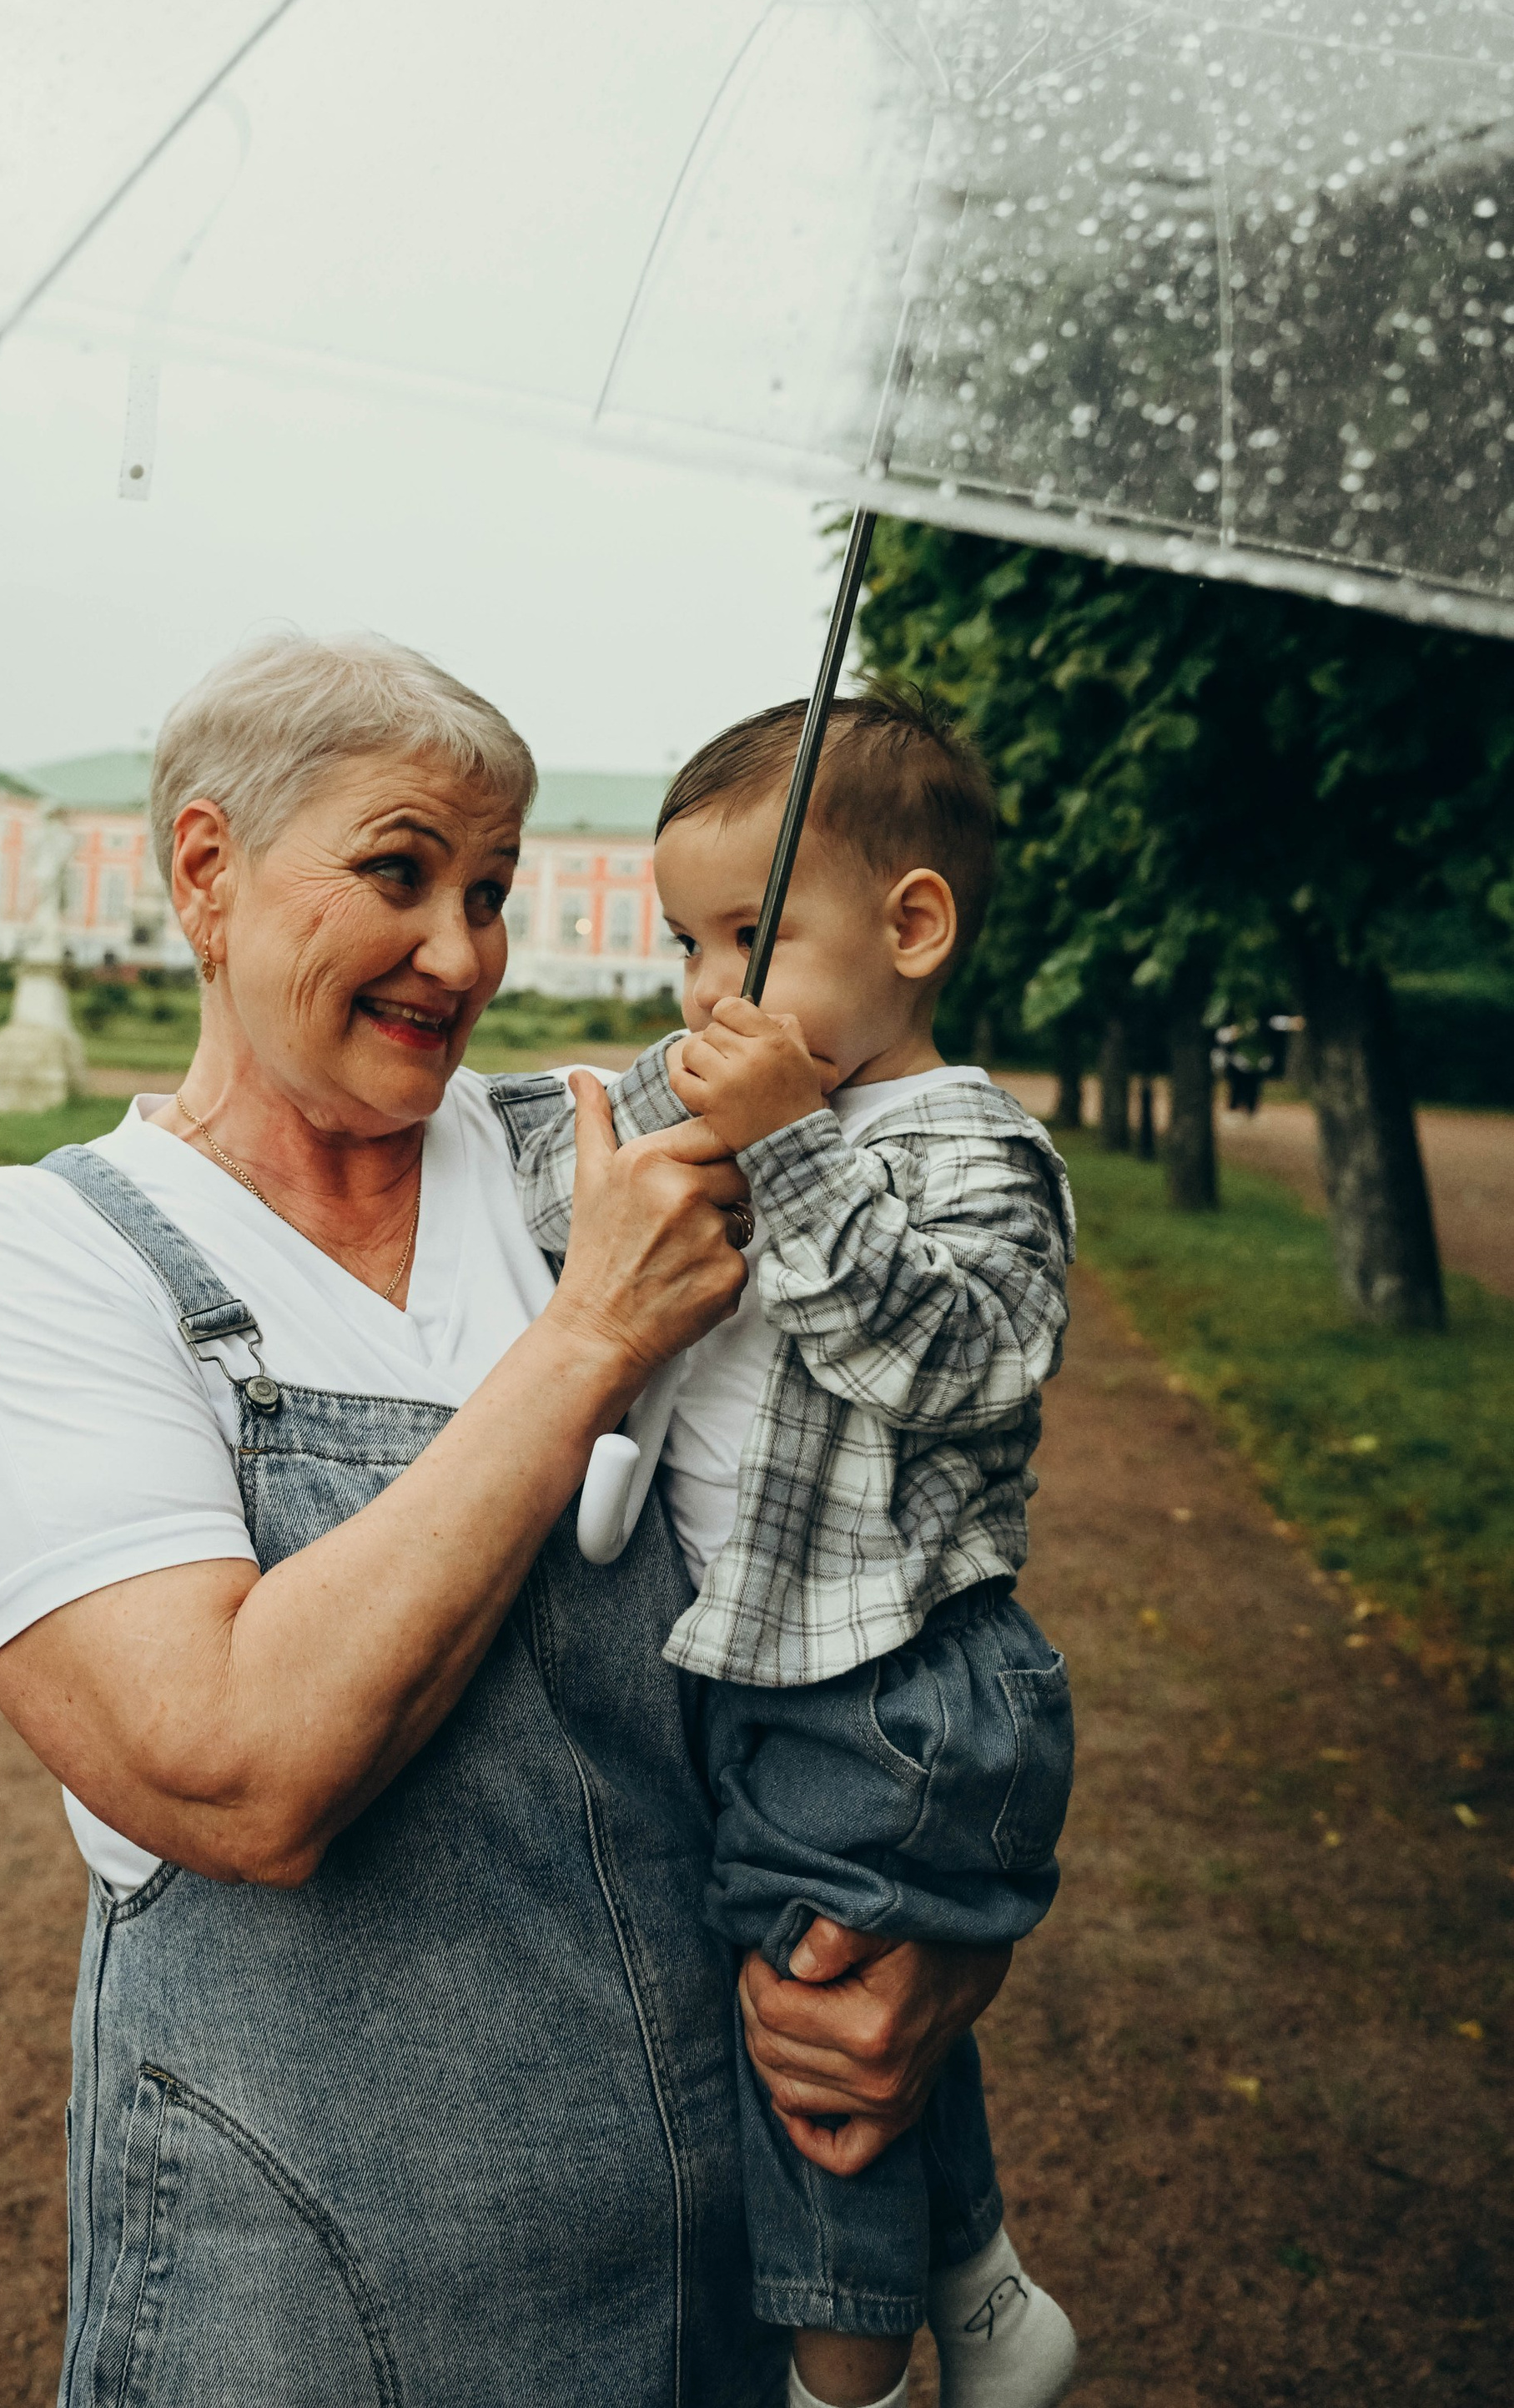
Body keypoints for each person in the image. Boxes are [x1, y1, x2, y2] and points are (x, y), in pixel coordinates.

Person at [0, 631, 1012, 2408]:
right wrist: (590, 1339)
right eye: (398, 873)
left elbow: (899, 1554)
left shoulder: (585, 1162)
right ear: (205, 871)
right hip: (303, 2312)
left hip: (714, 2284)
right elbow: (227, 1771)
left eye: (490, 890)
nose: (462, 953)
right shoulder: (47, 1251)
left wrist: (936, 1934)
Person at [505, 686, 1078, 2408]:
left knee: (809, 2033)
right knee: (846, 1986)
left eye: (751, 935)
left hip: (893, 1686)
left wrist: (788, 1150)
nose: (700, 987)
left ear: (910, 928)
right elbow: (559, 1165)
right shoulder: (760, 1104)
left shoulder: (973, 1150)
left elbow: (954, 1364)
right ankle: (977, 2292)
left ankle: (845, 2386)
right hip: (778, 1670)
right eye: (686, 939)